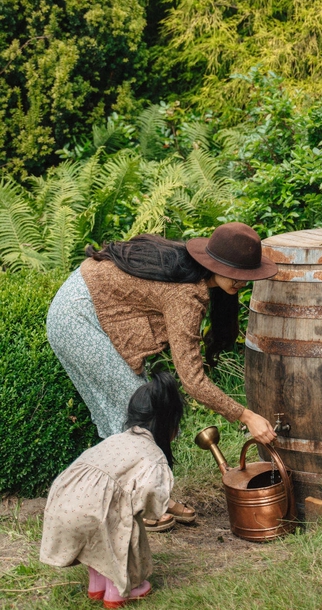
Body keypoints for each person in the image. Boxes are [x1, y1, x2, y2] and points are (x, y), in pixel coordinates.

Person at [46, 222, 279, 530]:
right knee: (136, 410)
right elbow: (192, 380)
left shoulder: (191, 272)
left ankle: (149, 497)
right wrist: (246, 416)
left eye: (245, 276)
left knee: (137, 410)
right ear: (214, 264)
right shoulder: (184, 294)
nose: (240, 282)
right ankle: (140, 504)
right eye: (235, 274)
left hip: (85, 299)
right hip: (76, 317)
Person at [40, 372, 183, 607]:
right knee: (122, 525)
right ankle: (120, 590)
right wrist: (148, 509)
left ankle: (97, 585)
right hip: (89, 514)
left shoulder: (115, 440)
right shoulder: (152, 454)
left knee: (99, 526)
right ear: (169, 423)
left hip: (60, 504)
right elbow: (149, 493)